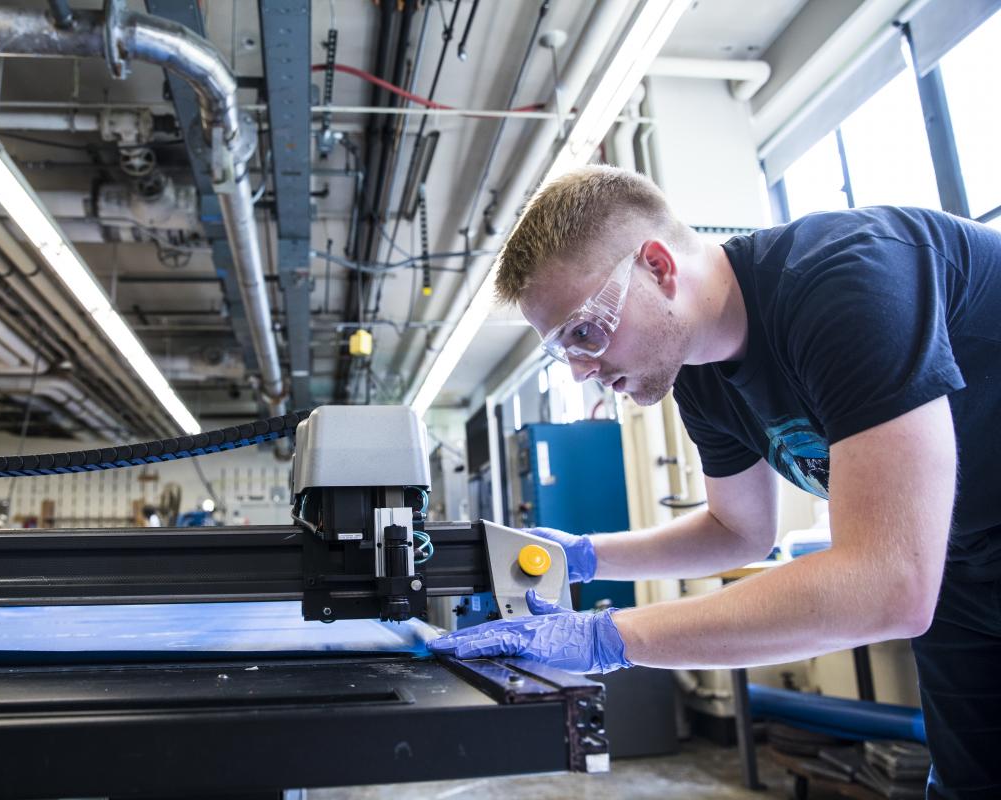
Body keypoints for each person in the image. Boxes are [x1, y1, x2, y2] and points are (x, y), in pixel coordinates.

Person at [428, 165, 1001, 798]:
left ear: (657, 265)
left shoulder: (844, 283)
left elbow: (888, 584)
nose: (582, 371)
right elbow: (740, 530)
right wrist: (580, 556)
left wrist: (606, 637)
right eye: (563, 352)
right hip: (964, 572)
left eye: (584, 332)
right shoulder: (700, 372)